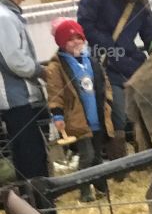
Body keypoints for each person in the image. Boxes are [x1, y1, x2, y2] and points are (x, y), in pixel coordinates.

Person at [77, 0, 152, 139]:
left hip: (131, 61)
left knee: (145, 110)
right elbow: (85, 25)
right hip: (106, 62)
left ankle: (146, 148)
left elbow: (148, 30)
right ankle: (119, 153)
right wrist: (109, 46)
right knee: (117, 116)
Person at [44, 19, 119, 202]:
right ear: (62, 43)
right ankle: (85, 190)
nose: (76, 42)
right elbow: (55, 93)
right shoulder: (56, 67)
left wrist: (108, 102)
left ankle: (101, 188)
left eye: (79, 38)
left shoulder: (91, 61)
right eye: (70, 39)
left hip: (97, 116)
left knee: (97, 156)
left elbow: (105, 83)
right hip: (77, 119)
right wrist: (58, 115)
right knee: (87, 156)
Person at [0, 0, 52, 214]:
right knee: (31, 163)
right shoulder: (4, 17)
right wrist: (39, 71)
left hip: (19, 99)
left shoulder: (8, 16)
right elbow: (14, 59)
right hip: (17, 100)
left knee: (31, 159)